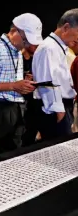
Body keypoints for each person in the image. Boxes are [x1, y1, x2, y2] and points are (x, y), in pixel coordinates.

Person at [0, 13, 43, 157]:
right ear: (14, 31)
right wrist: (14, 85)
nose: (27, 45)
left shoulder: (17, 52)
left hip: (14, 108)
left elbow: (9, 79)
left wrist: (23, 81)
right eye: (25, 40)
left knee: (14, 154)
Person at [33, 9, 78, 139]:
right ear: (66, 27)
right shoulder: (49, 48)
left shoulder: (56, 47)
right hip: (56, 111)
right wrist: (60, 115)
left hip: (60, 109)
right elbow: (48, 84)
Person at [21, 44, 41, 146]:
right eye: (35, 44)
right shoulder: (18, 58)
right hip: (20, 101)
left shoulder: (36, 59)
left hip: (33, 100)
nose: (38, 46)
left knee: (31, 129)